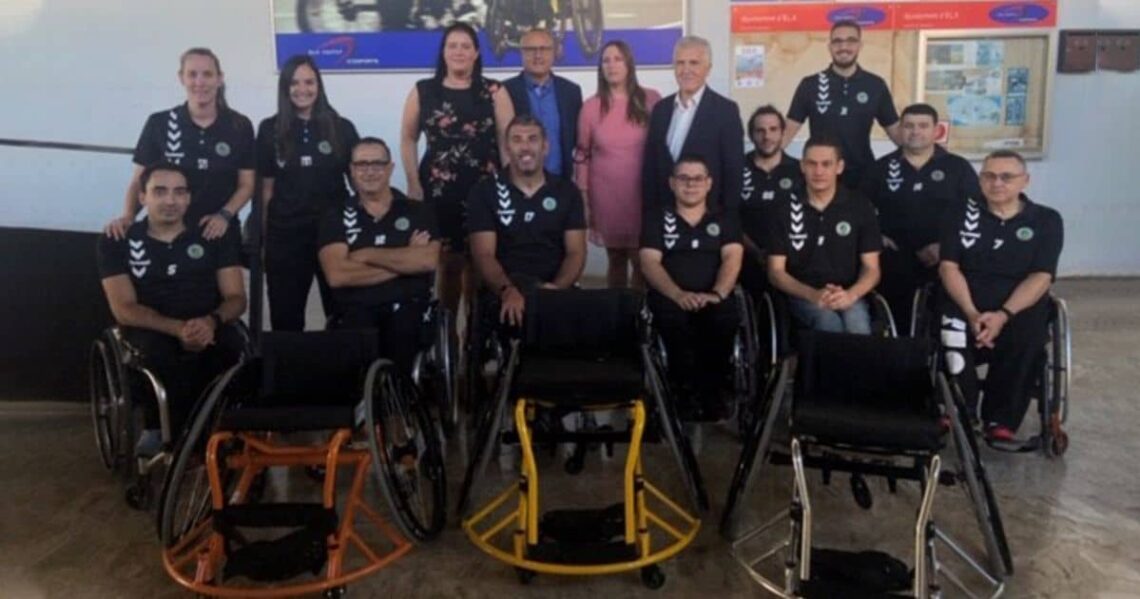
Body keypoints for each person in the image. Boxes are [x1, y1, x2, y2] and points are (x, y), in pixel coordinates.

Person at [97, 163, 247, 453]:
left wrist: (210, 322)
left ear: (188, 198)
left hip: (209, 324)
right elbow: (124, 309)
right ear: (142, 197)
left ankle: (220, 435)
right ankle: (167, 436)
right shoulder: (117, 240)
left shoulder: (214, 235)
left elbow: (236, 298)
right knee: (162, 357)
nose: (170, 200)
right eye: (160, 191)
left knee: (233, 352)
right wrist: (178, 329)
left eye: (179, 192)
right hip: (152, 329)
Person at [938, 150, 1063, 444]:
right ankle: (960, 408)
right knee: (949, 331)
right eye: (989, 176)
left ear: (1025, 181)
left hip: (1018, 305)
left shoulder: (1045, 220)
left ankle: (1001, 419)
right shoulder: (959, 214)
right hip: (965, 300)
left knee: (1027, 336)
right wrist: (971, 312)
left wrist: (1003, 315)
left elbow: (1041, 276)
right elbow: (948, 267)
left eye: (1007, 177)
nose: (997, 183)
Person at [400, 22, 514, 335]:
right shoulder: (424, 90)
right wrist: (413, 182)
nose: (459, 52)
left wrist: (509, 188)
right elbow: (408, 138)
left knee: (480, 263)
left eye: (466, 46)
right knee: (448, 265)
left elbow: (507, 142)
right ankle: (447, 336)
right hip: (439, 191)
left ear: (476, 53)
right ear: (444, 52)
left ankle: (474, 338)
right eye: (453, 46)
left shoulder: (495, 91)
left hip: (485, 190)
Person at [105, 48, 255, 242]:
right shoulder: (159, 123)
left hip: (218, 231)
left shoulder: (239, 125)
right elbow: (139, 180)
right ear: (181, 78)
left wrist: (224, 215)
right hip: (166, 232)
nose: (199, 82)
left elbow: (246, 184)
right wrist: (128, 216)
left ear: (219, 79)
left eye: (207, 74)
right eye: (192, 74)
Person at [318, 138, 441, 371]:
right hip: (356, 310)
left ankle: (401, 393)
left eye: (377, 164)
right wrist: (404, 261)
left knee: (405, 331)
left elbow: (426, 261)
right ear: (352, 170)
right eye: (362, 165)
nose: (369, 171)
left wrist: (365, 254)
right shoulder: (335, 216)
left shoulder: (417, 211)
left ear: (390, 168)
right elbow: (337, 275)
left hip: (408, 309)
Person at [257, 55, 360, 332]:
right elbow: (266, 190)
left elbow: (359, 184)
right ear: (284, 87)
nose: (302, 89)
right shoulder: (269, 130)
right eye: (294, 83)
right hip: (285, 235)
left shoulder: (342, 128)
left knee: (343, 315)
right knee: (286, 318)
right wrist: (264, 241)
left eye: (309, 82)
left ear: (319, 85)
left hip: (334, 234)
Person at [641, 154, 743, 421]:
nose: (691, 184)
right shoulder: (656, 218)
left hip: (714, 295)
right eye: (684, 178)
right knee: (672, 323)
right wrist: (678, 294)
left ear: (709, 183)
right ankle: (682, 392)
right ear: (672, 183)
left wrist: (717, 293)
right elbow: (649, 262)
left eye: (698, 178)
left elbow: (733, 258)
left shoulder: (725, 218)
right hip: (670, 296)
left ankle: (713, 391)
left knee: (724, 319)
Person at [860, 103, 980, 328]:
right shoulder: (880, 168)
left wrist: (945, 246)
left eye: (923, 126)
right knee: (898, 317)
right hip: (895, 258)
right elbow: (859, 209)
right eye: (909, 126)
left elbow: (975, 211)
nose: (915, 131)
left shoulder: (958, 168)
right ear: (900, 130)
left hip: (945, 256)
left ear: (936, 130)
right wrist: (877, 236)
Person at [468, 115, 587, 328]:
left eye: (532, 139)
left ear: (545, 147)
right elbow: (483, 255)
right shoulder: (484, 191)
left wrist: (556, 291)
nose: (525, 147)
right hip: (504, 289)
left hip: (555, 287)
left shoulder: (567, 192)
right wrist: (507, 291)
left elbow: (576, 252)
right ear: (507, 148)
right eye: (517, 140)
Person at [766, 137, 882, 334]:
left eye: (826, 164)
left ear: (839, 167)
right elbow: (775, 272)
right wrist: (812, 294)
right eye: (812, 164)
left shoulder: (860, 206)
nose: (818, 171)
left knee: (858, 327)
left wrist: (851, 295)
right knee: (828, 324)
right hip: (801, 295)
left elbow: (872, 268)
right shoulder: (783, 208)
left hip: (848, 292)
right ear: (802, 166)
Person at [575, 40, 662, 289]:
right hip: (607, 196)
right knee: (616, 259)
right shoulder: (591, 107)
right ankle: (617, 309)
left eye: (618, 59)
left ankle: (638, 309)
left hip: (642, 195)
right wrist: (584, 198)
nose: (611, 65)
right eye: (606, 60)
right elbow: (582, 155)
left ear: (629, 64)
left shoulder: (651, 99)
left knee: (642, 260)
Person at [784, 20, 902, 191]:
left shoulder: (875, 85)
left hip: (863, 177)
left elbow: (897, 133)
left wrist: (928, 156)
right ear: (830, 46)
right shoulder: (810, 85)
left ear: (860, 45)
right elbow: (787, 131)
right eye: (837, 41)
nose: (843, 47)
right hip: (822, 175)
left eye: (851, 41)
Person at [643, 36, 745, 213]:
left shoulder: (726, 111)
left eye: (694, 63)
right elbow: (651, 169)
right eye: (680, 63)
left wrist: (726, 219)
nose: (686, 70)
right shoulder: (660, 109)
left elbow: (733, 173)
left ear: (708, 69)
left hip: (707, 218)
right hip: (664, 216)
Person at [739, 104, 804, 295]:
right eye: (760, 130)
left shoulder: (800, 171)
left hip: (792, 263)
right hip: (745, 257)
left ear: (783, 133)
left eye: (773, 129)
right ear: (751, 135)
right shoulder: (735, 169)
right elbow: (728, 217)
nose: (767, 136)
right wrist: (755, 251)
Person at [504, 28, 583, 180]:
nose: (538, 55)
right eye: (531, 49)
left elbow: (576, 140)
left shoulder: (571, 92)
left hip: (561, 182)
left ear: (554, 52)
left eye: (544, 49)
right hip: (518, 182)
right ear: (521, 53)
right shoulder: (505, 91)